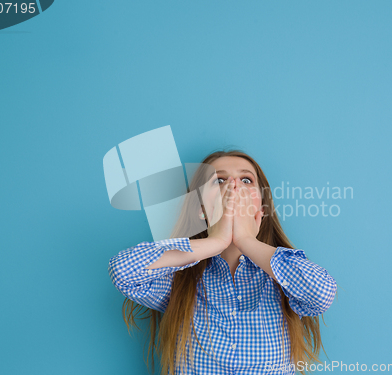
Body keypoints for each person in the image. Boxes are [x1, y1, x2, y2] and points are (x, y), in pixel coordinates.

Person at [108, 150, 337, 375]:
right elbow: (123, 272)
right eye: (219, 180)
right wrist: (215, 241)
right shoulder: (179, 280)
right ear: (201, 210)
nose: (234, 187)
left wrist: (247, 240)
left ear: (261, 210)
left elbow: (322, 293)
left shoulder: (284, 276)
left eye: (246, 179)